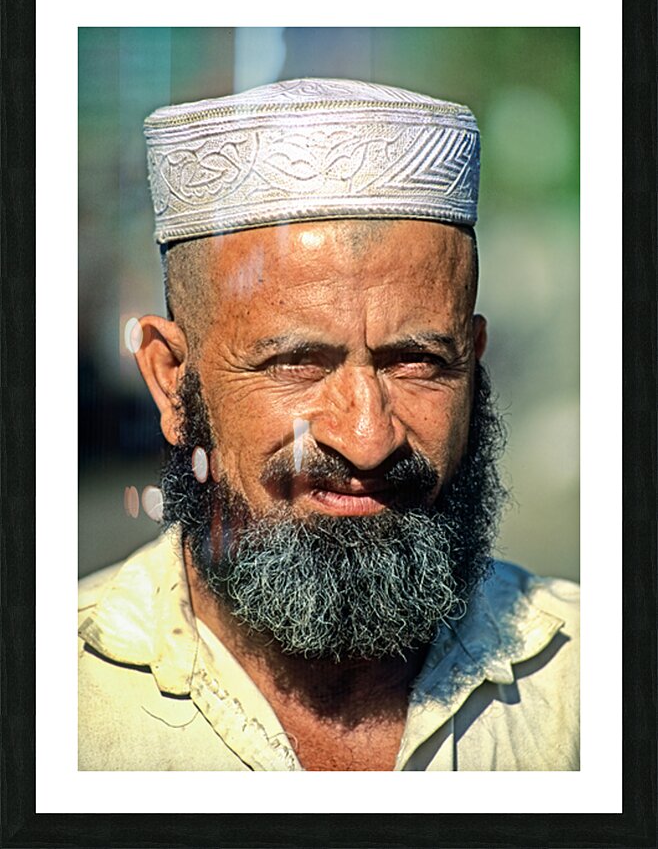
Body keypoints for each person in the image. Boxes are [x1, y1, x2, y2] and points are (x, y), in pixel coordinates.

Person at [78, 78, 579, 771]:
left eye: (416, 363)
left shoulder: (588, 687)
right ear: (171, 380)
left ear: (474, 362)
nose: (368, 439)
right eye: (296, 364)